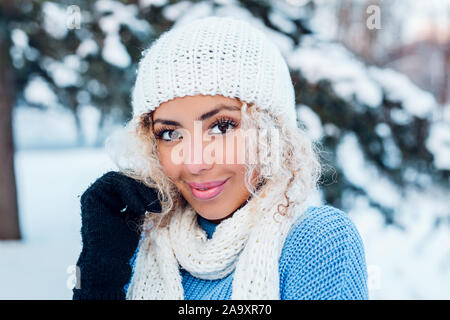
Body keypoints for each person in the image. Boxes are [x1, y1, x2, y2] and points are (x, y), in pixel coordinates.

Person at [73, 16, 369, 300]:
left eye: (222, 126)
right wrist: (100, 278)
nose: (194, 162)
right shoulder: (142, 244)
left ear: (272, 133)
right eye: (170, 134)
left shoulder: (315, 241)